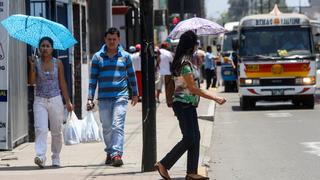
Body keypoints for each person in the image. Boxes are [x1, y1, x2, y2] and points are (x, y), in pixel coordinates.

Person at [154, 31, 226, 180]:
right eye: (196, 44)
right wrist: (215, 97)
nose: (196, 47)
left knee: (196, 137)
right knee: (189, 138)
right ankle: (164, 164)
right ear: (191, 46)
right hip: (183, 104)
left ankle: (191, 172)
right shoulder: (185, 63)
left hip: (188, 104)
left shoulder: (185, 60)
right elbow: (193, 88)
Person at [86, 27, 138, 167]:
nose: (112, 42)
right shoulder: (97, 57)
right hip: (103, 98)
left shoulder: (126, 56)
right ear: (105, 39)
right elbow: (93, 79)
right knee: (107, 127)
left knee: (117, 125)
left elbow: (132, 75)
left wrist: (135, 93)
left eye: (114, 39)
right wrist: (90, 97)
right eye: (109, 39)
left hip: (120, 97)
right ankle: (109, 152)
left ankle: (116, 154)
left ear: (118, 40)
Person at [28, 36, 73, 168]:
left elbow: (63, 83)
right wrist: (31, 67)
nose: (45, 48)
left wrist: (68, 101)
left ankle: (56, 156)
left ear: (52, 49)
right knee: (41, 129)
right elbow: (32, 82)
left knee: (56, 130)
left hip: (55, 99)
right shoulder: (35, 62)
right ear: (39, 48)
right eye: (43, 46)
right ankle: (40, 156)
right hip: (40, 100)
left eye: (48, 46)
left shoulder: (57, 63)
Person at [156, 42, 174, 106]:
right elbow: (172, 61)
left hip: (159, 71)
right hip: (167, 72)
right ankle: (168, 100)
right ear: (166, 47)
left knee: (158, 86)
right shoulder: (168, 53)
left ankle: (157, 98)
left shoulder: (157, 51)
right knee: (168, 87)